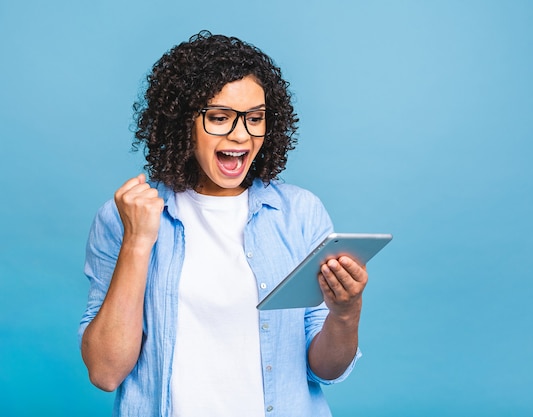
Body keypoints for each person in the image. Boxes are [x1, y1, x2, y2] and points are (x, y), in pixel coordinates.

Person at [78, 30, 368, 417]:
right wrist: (137, 242)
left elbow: (325, 370)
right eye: (219, 117)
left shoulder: (300, 213)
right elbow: (105, 371)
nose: (240, 135)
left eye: (255, 118)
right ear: (182, 123)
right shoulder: (125, 216)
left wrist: (346, 314)